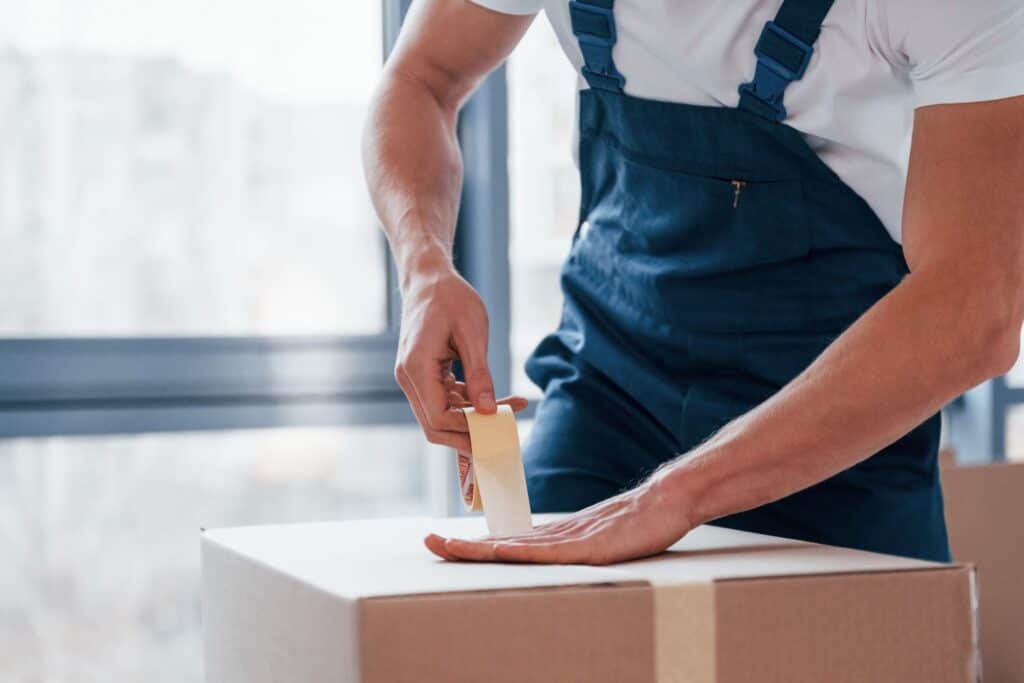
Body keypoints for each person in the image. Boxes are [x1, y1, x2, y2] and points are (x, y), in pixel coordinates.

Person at [362, 0, 1024, 565]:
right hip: (609, 393)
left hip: (836, 432)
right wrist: (424, 269)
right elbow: (420, 79)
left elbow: (977, 306)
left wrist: (670, 498)